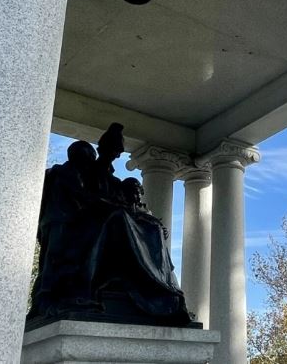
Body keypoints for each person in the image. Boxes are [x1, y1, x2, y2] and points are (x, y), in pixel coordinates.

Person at [28, 124, 193, 327]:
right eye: (85, 160)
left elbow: (124, 203)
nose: (88, 165)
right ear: (77, 158)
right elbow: (88, 199)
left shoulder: (102, 177)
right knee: (117, 219)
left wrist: (149, 219)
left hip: (88, 223)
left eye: (89, 160)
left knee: (151, 228)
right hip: (68, 226)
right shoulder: (66, 173)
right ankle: (60, 296)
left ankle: (162, 290)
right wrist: (115, 205)